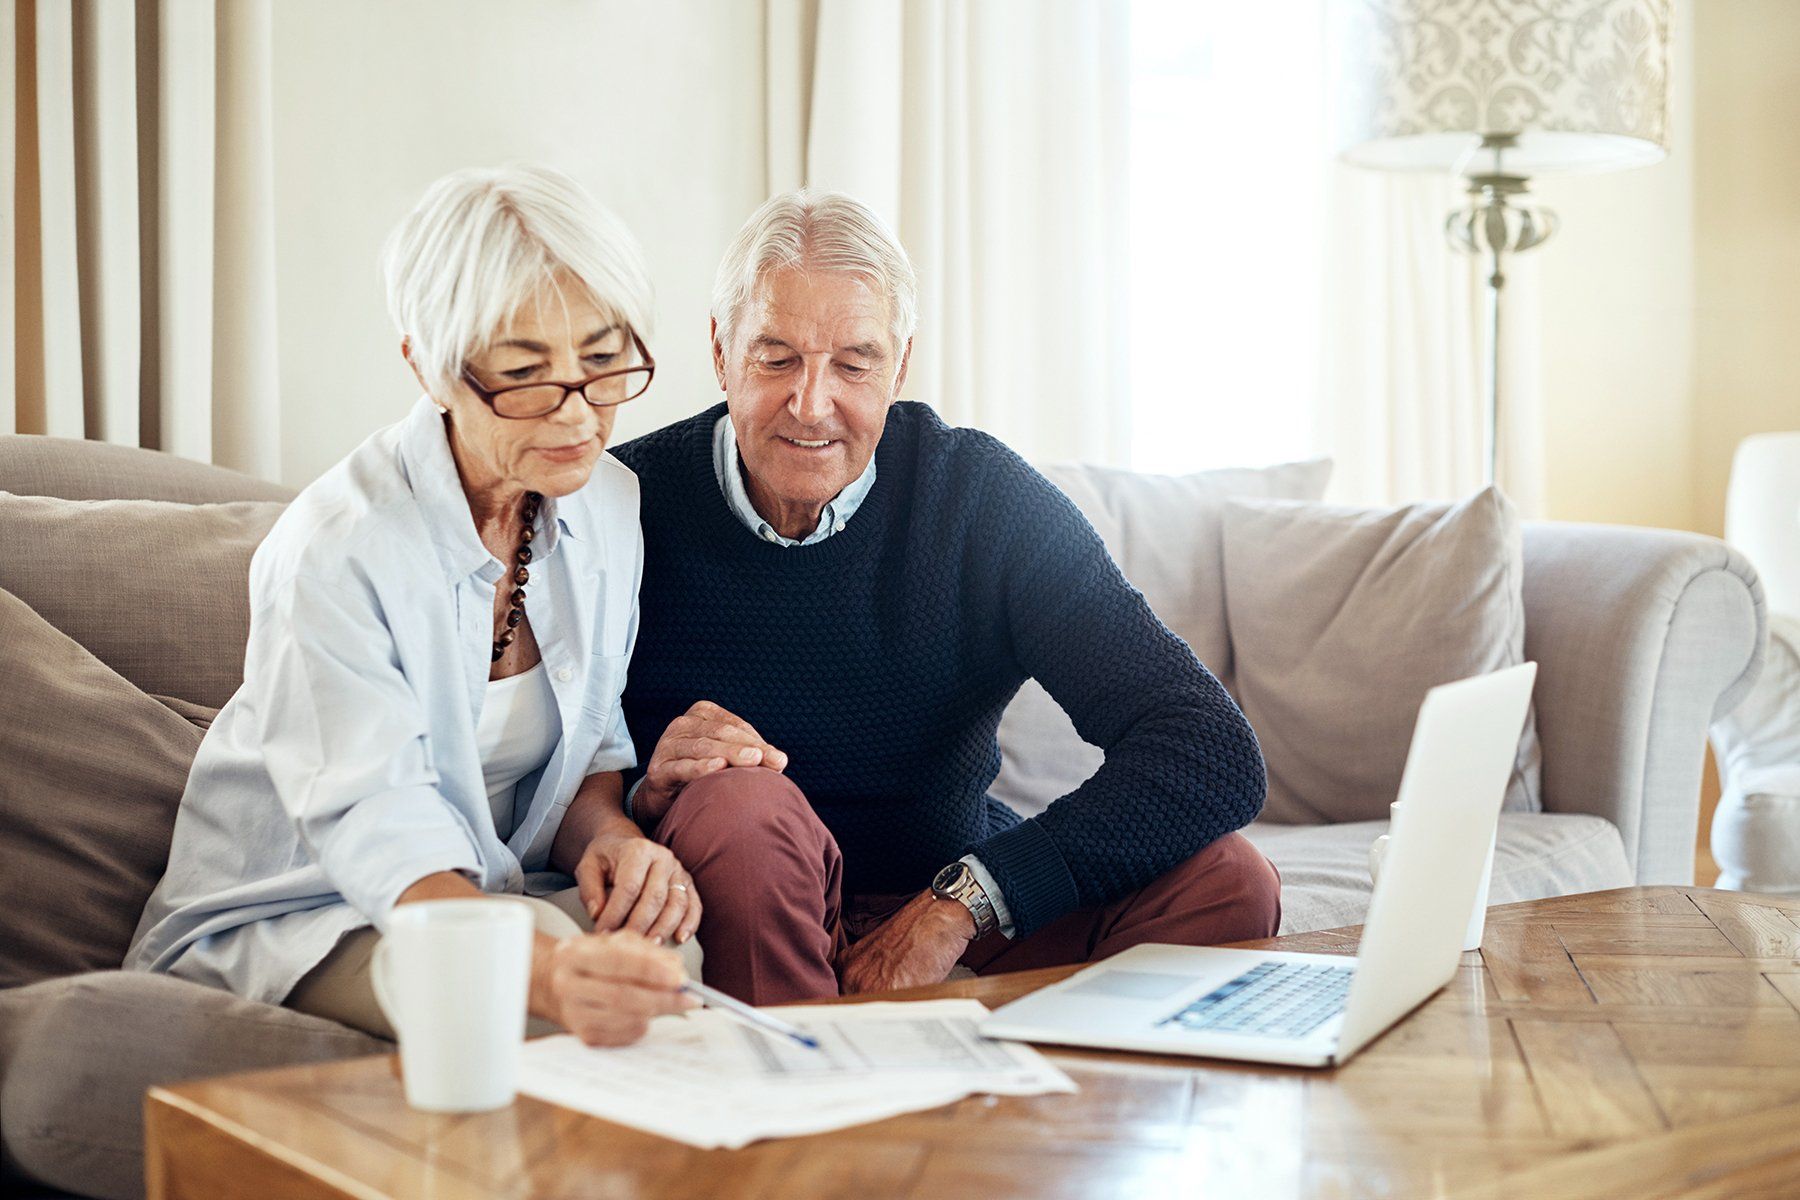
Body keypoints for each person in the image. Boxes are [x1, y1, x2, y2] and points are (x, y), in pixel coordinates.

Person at [610, 190, 1280, 1005]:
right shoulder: (622, 503)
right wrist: (645, 787)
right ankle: (808, 1103)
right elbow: (531, 774)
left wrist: (958, 905)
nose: (812, 403)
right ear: (720, 353)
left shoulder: (979, 497)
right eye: (776, 357)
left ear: (900, 364)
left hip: (947, 894)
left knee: (1230, 879)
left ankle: (1030, 1109)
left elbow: (1211, 748)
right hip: (742, 886)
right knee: (745, 812)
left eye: (854, 364)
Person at [127, 165, 697, 1046]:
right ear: (430, 369)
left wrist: (612, 840)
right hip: (305, 914)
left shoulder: (608, 505)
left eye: (602, 358)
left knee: (667, 961)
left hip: (488, 892)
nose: (579, 413)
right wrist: (542, 970)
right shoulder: (335, 550)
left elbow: (589, 752)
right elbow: (379, 832)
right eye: (525, 372)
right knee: (520, 986)